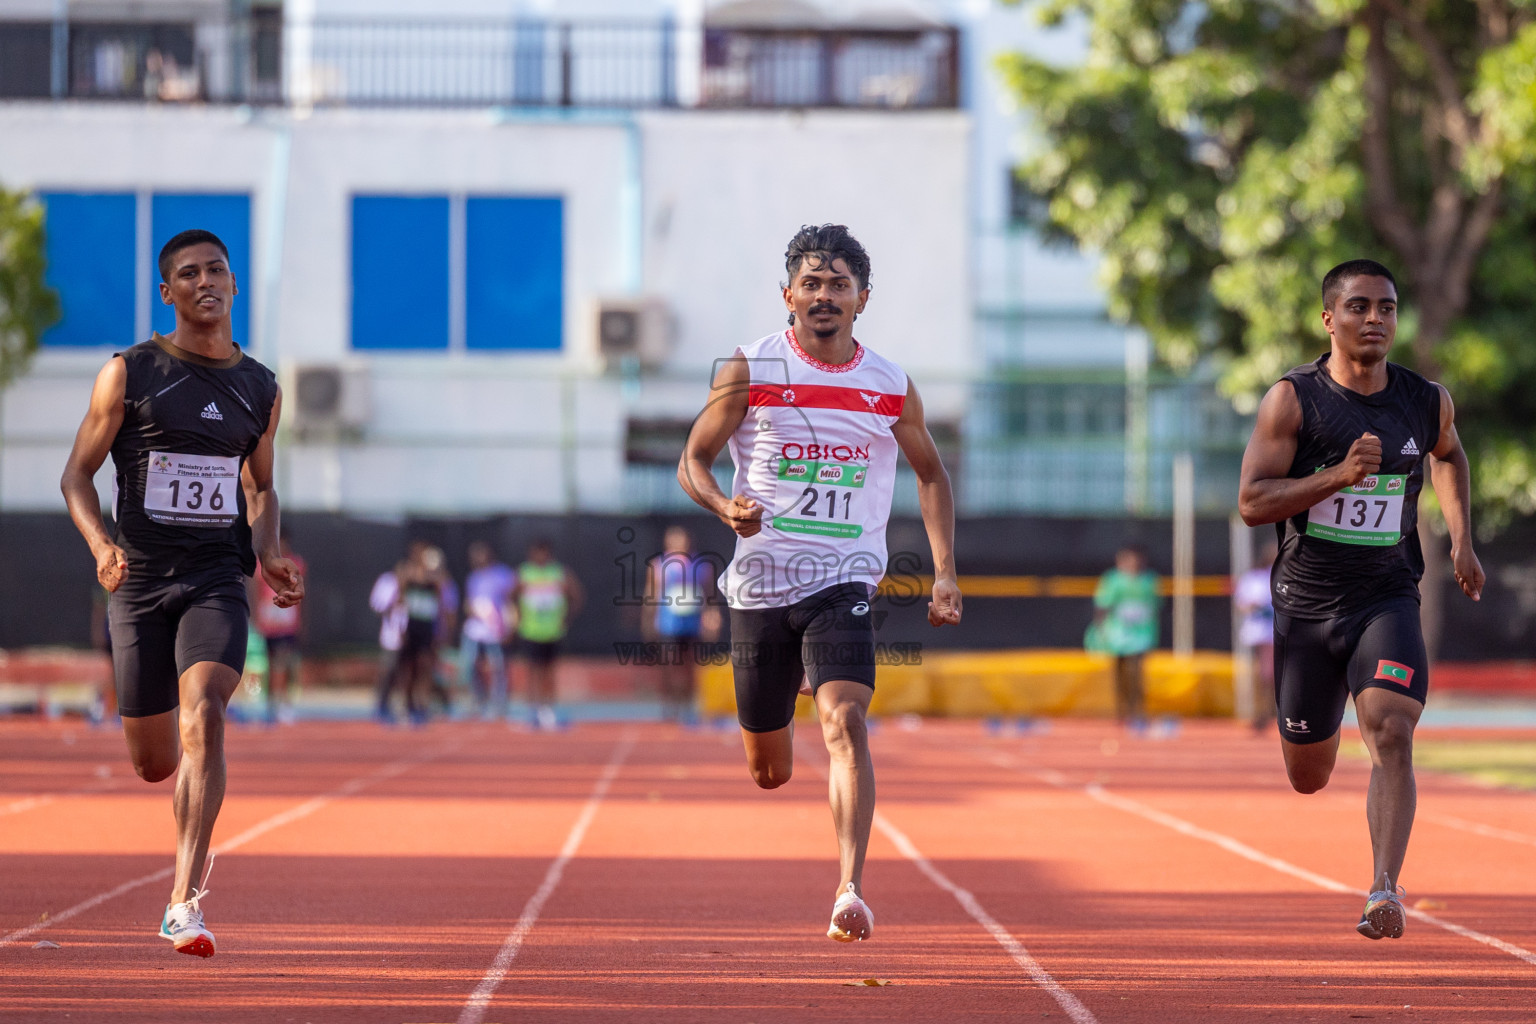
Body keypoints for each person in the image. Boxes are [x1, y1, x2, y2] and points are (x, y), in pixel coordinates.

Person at [678, 223, 962, 943]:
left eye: (839, 284)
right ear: (788, 297)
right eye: (811, 283)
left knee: (846, 722)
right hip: (761, 587)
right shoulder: (749, 368)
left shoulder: (889, 384)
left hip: (843, 583)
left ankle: (849, 888)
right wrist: (723, 505)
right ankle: (798, 681)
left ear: (863, 299)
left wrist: (944, 574)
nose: (824, 295)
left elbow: (931, 473)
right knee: (769, 773)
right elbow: (693, 460)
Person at [59, 228, 303, 957]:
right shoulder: (129, 373)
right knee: (155, 761)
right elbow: (76, 475)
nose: (206, 282)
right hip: (136, 584)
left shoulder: (261, 388)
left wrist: (267, 551)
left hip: (213, 580)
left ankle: (182, 902)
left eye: (217, 271)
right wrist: (102, 544)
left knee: (206, 716)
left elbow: (259, 487)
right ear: (167, 292)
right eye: (189, 274)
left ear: (234, 284)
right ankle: (178, 848)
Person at [1238, 258, 1484, 941]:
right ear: (1330, 320)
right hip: (1306, 607)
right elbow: (1252, 501)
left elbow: (1449, 454)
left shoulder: (1424, 399)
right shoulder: (1293, 400)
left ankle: (1384, 887)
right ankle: (1327, 709)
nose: (1375, 319)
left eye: (1387, 308)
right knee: (1309, 776)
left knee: (1394, 733)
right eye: (1359, 307)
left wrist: (1461, 539)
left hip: (1386, 596)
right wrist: (1338, 476)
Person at [644, 526, 721, 722]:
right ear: (668, 542)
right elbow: (650, 596)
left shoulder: (702, 566)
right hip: (667, 624)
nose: (681, 544)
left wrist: (712, 619)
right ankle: (669, 706)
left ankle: (688, 706)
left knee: (690, 667)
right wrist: (648, 621)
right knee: (668, 666)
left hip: (691, 624)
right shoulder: (658, 565)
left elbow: (709, 596)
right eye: (675, 540)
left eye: (683, 540)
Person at [513, 540, 582, 730]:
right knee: (533, 671)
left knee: (549, 672)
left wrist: (565, 619)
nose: (540, 557)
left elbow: (577, 596)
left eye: (544, 553)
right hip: (531, 630)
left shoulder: (559, 573)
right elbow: (512, 596)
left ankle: (548, 711)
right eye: (536, 553)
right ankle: (532, 712)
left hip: (552, 631)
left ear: (549, 553)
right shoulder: (524, 573)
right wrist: (517, 617)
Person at [1091, 545, 1160, 730]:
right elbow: (1103, 605)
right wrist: (1099, 629)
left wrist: (1152, 632)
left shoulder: (1148, 580)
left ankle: (1137, 711)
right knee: (1120, 674)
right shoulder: (1112, 580)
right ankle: (1121, 712)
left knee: (1135, 672)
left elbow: (1154, 607)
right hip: (1117, 635)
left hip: (1140, 635)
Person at [250, 527, 306, 723]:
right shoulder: (262, 565)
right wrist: (257, 617)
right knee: (268, 665)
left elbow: (301, 594)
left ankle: (284, 703)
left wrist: (300, 620)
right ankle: (269, 703)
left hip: (287, 623)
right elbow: (257, 592)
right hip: (269, 623)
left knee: (284, 664)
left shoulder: (296, 563)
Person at [459, 541, 515, 719]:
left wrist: (509, 625)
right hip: (475, 629)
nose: (476, 559)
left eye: (480, 554)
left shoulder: (503, 575)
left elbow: (510, 602)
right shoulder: (473, 578)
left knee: (498, 665)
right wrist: (470, 609)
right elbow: (470, 602)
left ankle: (499, 704)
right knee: (469, 664)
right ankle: (478, 699)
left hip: (495, 630)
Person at [1234, 541, 1278, 732]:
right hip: (1261, 632)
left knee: (1270, 674)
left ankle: (1269, 712)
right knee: (1265, 674)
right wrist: (1254, 606)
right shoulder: (1254, 577)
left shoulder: (1284, 574)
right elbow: (1242, 603)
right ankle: (1264, 712)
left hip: (1279, 632)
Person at [370, 552, 409, 723]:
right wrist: (394, 600)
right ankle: (381, 704)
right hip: (391, 637)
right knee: (387, 671)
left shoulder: (415, 586)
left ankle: (405, 706)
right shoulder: (388, 583)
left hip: (410, 637)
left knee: (406, 673)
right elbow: (377, 607)